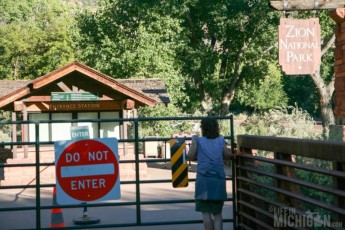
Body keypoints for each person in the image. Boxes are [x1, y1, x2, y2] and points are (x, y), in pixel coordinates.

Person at [187, 117, 231, 230]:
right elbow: (227, 155)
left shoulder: (198, 140)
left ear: (203, 128)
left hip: (203, 179)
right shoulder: (221, 140)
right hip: (218, 178)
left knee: (206, 214)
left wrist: (194, 142)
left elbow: (190, 156)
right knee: (217, 214)